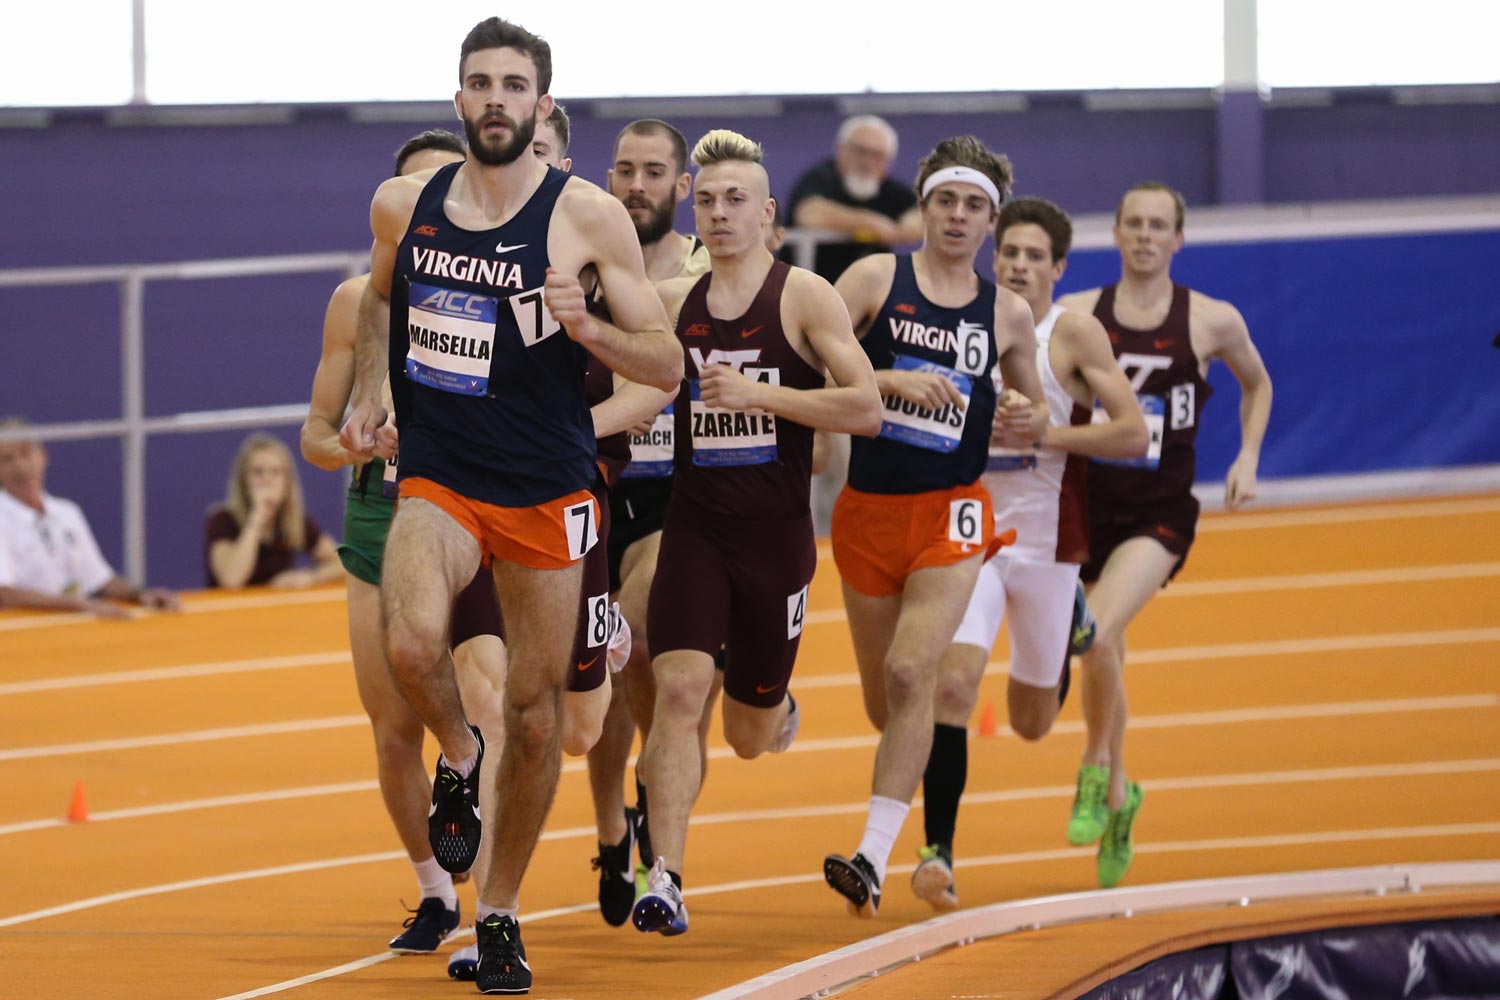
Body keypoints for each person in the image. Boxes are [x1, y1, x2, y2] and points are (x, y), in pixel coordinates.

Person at [337, 18, 680, 995]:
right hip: (440, 479)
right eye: (479, 82)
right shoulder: (407, 203)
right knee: (411, 643)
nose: (494, 97)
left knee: (544, 720)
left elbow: (666, 360)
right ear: (458, 99)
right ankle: (459, 748)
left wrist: (590, 328)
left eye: (513, 84)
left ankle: (500, 915)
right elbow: (377, 296)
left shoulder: (589, 220)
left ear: (539, 104)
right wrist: (375, 387)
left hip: (547, 486)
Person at [630, 128, 883, 938]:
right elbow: (620, 365)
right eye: (705, 200)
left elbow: (867, 408)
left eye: (736, 199)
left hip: (776, 544)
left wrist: (763, 397)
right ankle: (662, 876)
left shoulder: (806, 296)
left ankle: (775, 706)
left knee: (746, 735)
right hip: (695, 531)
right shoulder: (674, 304)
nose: (719, 213)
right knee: (676, 692)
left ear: (768, 212)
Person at [302, 128, 516, 970]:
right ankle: (435, 890)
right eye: (413, 196)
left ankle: (498, 905)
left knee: (487, 704)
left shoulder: (505, 284)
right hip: (379, 524)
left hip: (475, 516)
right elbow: (316, 437)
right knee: (393, 729)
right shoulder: (358, 300)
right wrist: (355, 443)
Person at [821, 136, 1049, 920]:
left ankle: (872, 856)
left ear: (991, 218)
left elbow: (1034, 406)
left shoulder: (1007, 312)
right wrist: (884, 379)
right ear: (923, 204)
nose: (958, 216)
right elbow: (815, 359)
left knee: (916, 674)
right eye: (946, 200)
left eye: (974, 205)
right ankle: (909, 782)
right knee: (887, 703)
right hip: (867, 512)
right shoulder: (874, 277)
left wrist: (1027, 411)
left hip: (952, 512)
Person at [915, 196, 1147, 911]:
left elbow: (1133, 434)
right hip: (972, 534)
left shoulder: (1073, 335)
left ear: (1058, 268)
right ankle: (938, 853)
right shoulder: (960, 318)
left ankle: (1073, 625)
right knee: (952, 685)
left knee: (1032, 721)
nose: (1017, 265)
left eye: (1032, 256)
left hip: (1049, 541)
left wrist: (1046, 435)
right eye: (1008, 252)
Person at [1056, 181, 1273, 887]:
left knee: (1096, 630)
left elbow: (1257, 385)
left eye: (1159, 226)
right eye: (1134, 224)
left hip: (1160, 512)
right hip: (1090, 507)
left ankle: (1093, 767)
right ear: (1115, 233)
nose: (1145, 236)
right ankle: (1123, 793)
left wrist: (1246, 457)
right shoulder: (1080, 316)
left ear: (1178, 239)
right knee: (1105, 646)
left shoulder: (1211, 320)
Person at [585, 117, 718, 928]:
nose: (638, 185)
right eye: (626, 170)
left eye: (654, 171)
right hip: (598, 487)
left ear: (683, 187)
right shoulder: (586, 257)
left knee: (647, 649)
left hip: (683, 497)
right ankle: (613, 828)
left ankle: (658, 847)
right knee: (600, 682)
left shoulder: (715, 271)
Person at [0, 417, 180, 618]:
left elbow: (99, 579)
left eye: (26, 454)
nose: (21, 467)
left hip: (75, 627)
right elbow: (4, 594)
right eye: (7, 460)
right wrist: (79, 605)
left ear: (43, 456)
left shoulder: (67, 512)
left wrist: (139, 594)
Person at [783, 114, 922, 282]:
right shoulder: (821, 177)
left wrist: (900, 230)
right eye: (861, 151)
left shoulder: (890, 189)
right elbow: (809, 214)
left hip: (869, 290)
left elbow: (921, 218)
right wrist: (874, 224)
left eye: (877, 155)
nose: (868, 162)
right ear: (841, 149)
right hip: (812, 287)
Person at [204, 432, 343, 588]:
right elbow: (231, 580)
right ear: (243, 481)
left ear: (287, 482)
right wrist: (257, 517)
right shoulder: (222, 520)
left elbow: (346, 564)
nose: (267, 479)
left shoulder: (293, 520)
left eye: (275, 472)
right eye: (258, 472)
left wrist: (311, 576)